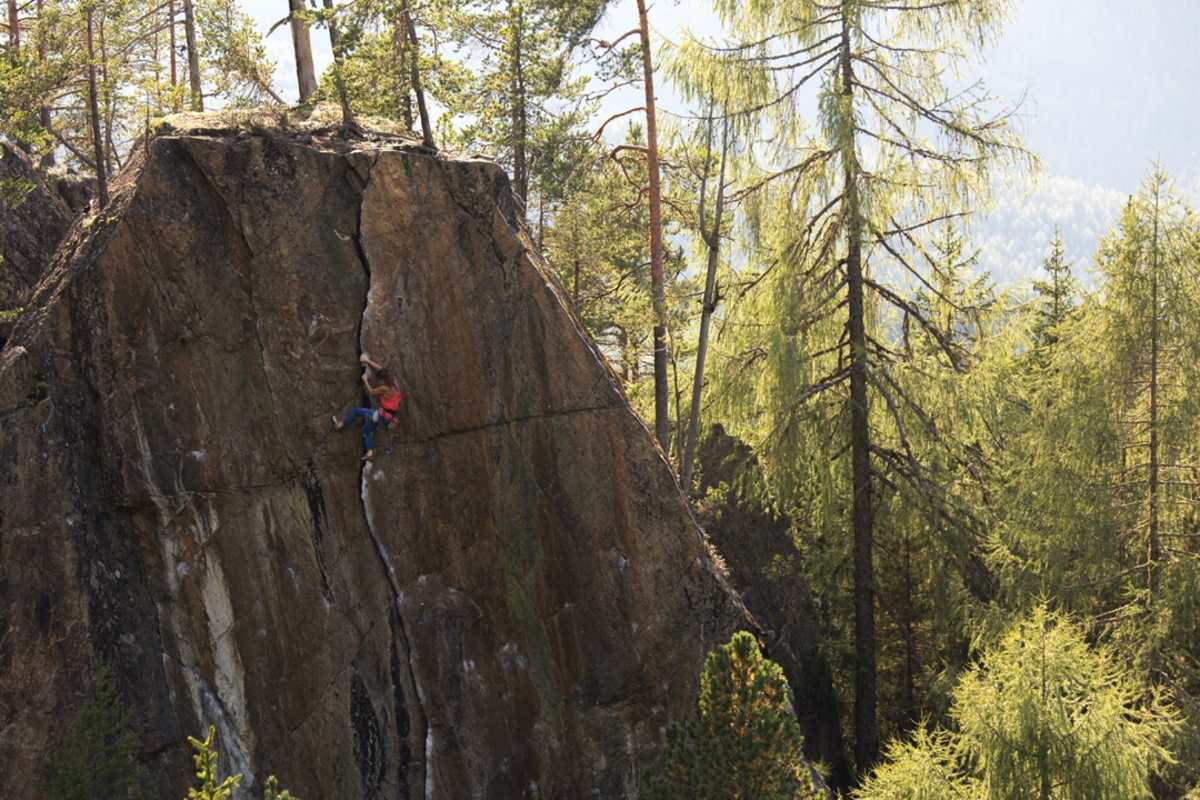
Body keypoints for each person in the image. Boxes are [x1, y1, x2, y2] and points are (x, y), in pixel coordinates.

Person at [333, 353, 404, 461]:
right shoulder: (394, 382)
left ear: (383, 380)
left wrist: (365, 379)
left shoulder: (384, 388)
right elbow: (382, 369)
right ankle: (370, 452)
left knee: (355, 411)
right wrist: (368, 361)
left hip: (380, 415)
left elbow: (371, 391)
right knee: (366, 431)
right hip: (389, 417)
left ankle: (341, 424)